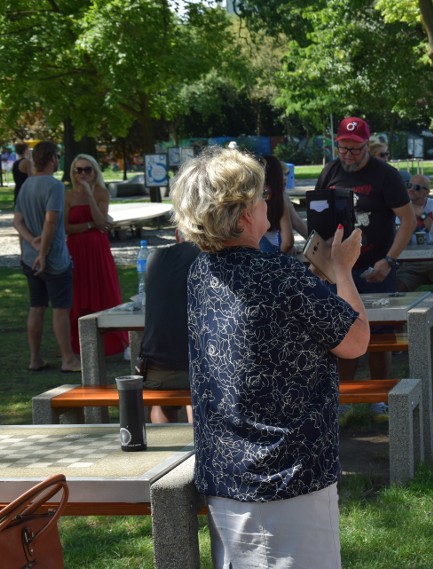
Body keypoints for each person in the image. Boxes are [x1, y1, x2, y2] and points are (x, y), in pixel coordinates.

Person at [170, 147, 369, 568]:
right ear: (244, 214)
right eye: (262, 197)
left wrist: (316, 278)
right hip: (291, 477)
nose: (268, 203)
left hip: (227, 474)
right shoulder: (280, 274)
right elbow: (355, 341)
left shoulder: (200, 273)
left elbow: (272, 330)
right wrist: (344, 270)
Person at [315, 116, 416, 383]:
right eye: (343, 148)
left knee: (380, 333)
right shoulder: (330, 173)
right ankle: (344, 396)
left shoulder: (385, 174)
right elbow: (318, 221)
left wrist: (389, 260)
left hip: (376, 268)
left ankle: (379, 398)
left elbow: (408, 220)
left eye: (356, 149)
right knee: (340, 331)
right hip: (338, 271)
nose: (348, 155)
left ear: (367, 146)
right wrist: (319, 261)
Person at [12, 141, 81, 373]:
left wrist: (31, 240)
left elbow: (17, 221)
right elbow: (51, 220)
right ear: (52, 158)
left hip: (29, 258)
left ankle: (34, 359)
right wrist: (42, 252)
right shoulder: (54, 186)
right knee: (60, 308)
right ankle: (68, 358)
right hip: (53, 259)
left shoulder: (26, 185)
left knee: (36, 306)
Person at [64, 153, 127, 356]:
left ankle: (111, 339)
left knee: (103, 288)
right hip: (76, 250)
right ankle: (79, 340)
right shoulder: (68, 195)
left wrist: (90, 196)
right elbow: (67, 227)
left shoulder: (101, 193)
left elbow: (102, 223)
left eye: (87, 169)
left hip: (97, 250)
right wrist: (90, 225)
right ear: (73, 172)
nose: (83, 174)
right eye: (78, 170)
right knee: (79, 291)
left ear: (94, 171)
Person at [138, 230, 200, 423]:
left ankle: (166, 445)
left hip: (155, 368)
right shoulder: (213, 259)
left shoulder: (154, 258)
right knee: (198, 383)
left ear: (177, 235)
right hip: (198, 369)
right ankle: (198, 446)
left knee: (163, 399)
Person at [259, 155, 302, 254]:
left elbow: (296, 222)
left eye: (286, 174)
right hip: (273, 251)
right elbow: (288, 242)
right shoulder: (279, 197)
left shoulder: (281, 197)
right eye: (282, 174)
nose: (285, 178)